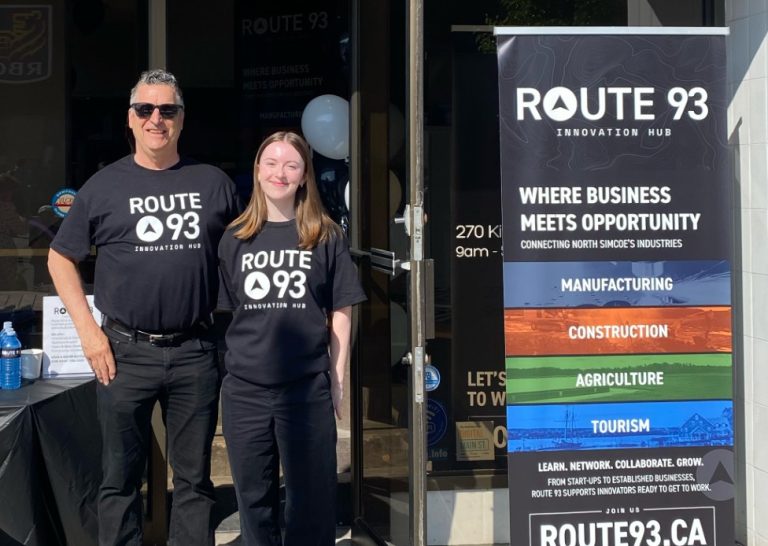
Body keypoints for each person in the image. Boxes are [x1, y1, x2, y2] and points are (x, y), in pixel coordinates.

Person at [47, 69, 240, 546]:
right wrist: (90, 334)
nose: (156, 119)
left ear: (181, 119)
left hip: (196, 350)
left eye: (167, 110)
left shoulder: (213, 183)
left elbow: (243, 259)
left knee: (194, 480)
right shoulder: (102, 187)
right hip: (123, 352)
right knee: (118, 479)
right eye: (145, 110)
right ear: (130, 120)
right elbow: (59, 257)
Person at [217, 131, 366, 545]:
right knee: (253, 500)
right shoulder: (235, 238)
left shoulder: (326, 236)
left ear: (304, 177)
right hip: (245, 390)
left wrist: (336, 380)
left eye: (291, 165)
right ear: (258, 170)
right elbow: (229, 314)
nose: (279, 173)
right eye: (271, 163)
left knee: (310, 501)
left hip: (305, 389)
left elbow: (341, 310)